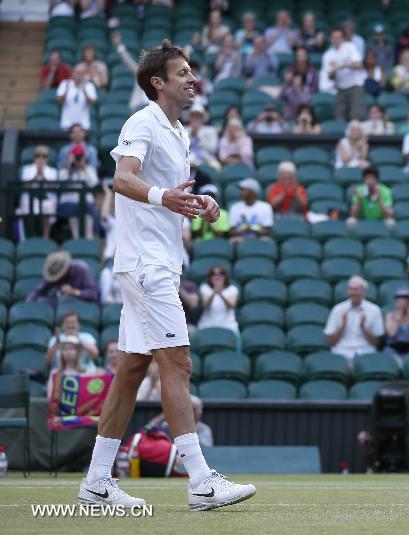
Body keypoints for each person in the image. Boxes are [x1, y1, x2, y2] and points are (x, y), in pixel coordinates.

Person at [82, 40, 255, 510]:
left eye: (192, 71)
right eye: (182, 72)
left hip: (154, 262)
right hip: (147, 266)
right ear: (158, 83)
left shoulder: (179, 133)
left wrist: (198, 203)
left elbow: (168, 193)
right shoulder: (142, 121)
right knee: (176, 364)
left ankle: (96, 482)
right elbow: (122, 178)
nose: (192, 78)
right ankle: (200, 480)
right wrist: (164, 198)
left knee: (132, 370)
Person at [324, 276, 385, 363]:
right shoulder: (338, 309)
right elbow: (331, 342)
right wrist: (342, 326)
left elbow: (376, 342)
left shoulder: (374, 310)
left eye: (356, 290)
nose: (352, 293)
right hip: (342, 352)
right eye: (350, 289)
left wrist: (363, 328)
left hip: (366, 352)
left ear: (364, 291)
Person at [322, 27, 365, 121]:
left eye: (339, 37)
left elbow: (358, 64)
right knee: (339, 116)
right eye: (334, 37)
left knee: (356, 117)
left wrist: (342, 66)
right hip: (340, 88)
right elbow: (330, 77)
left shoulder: (350, 47)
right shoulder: (328, 55)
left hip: (355, 85)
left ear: (343, 38)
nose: (336, 40)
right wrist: (333, 71)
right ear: (331, 39)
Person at [28, 250, 99, 304]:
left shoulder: (81, 268)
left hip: (81, 304)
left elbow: (93, 294)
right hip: (61, 304)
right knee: (42, 301)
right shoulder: (53, 270)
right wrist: (27, 305)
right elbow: (39, 291)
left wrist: (73, 291)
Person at [146, 395, 214, 448]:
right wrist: (167, 413)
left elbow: (204, 449)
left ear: (200, 412)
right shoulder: (170, 425)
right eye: (188, 409)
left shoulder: (204, 429)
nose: (190, 412)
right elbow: (149, 427)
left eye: (194, 409)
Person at [197, 265, 239, 333]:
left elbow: (232, 306)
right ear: (210, 277)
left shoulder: (232, 289)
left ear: (225, 276)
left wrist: (220, 294)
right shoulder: (205, 287)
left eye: (221, 274)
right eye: (213, 274)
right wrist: (214, 293)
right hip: (207, 325)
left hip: (229, 326)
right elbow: (205, 305)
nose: (217, 276)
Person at [57, 64, 97, 130]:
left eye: (81, 74)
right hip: (66, 124)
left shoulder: (89, 85)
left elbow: (92, 103)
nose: (79, 76)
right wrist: (66, 91)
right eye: (77, 73)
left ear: (84, 75)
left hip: (83, 124)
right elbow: (59, 102)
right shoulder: (65, 84)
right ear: (72, 74)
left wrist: (85, 91)